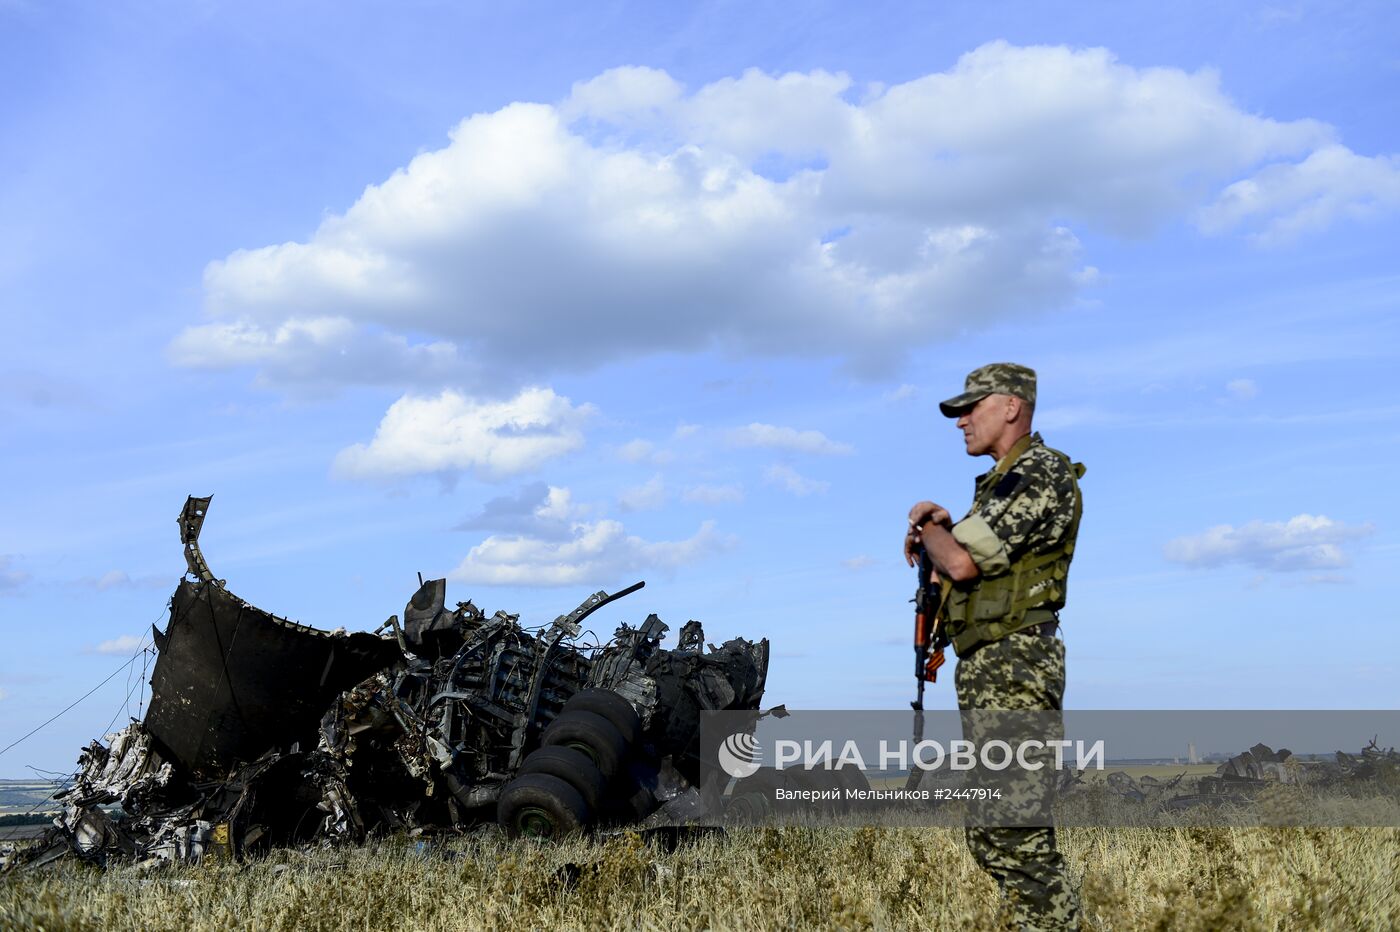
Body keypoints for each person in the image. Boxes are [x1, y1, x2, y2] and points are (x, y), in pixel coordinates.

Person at [903, 362, 1084, 931]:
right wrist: (944, 533)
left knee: (1014, 829)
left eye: (971, 408)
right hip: (990, 665)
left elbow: (959, 561)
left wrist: (929, 524)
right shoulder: (1003, 482)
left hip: (1016, 665)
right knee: (991, 830)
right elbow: (965, 565)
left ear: (1011, 406)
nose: (961, 422)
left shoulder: (1037, 470)